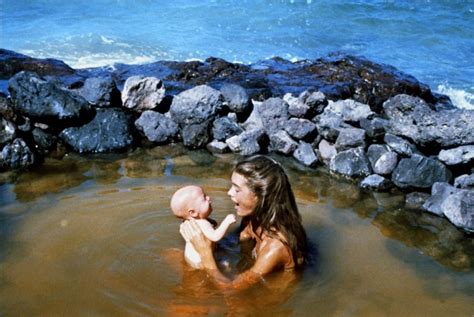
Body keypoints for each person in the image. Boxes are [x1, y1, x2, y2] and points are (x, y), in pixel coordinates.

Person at [180, 155, 307, 290]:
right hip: (249, 273)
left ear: (260, 197)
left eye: (237, 189)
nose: (229, 193)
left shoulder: (275, 248)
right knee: (172, 255)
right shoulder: (253, 218)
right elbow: (236, 246)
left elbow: (231, 290)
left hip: (264, 300)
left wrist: (205, 252)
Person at [171, 185, 236, 269]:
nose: (209, 198)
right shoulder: (202, 223)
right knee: (226, 263)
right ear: (193, 212)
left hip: (191, 259)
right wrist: (227, 221)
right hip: (201, 262)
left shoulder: (191, 221)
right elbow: (215, 237)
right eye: (204, 198)